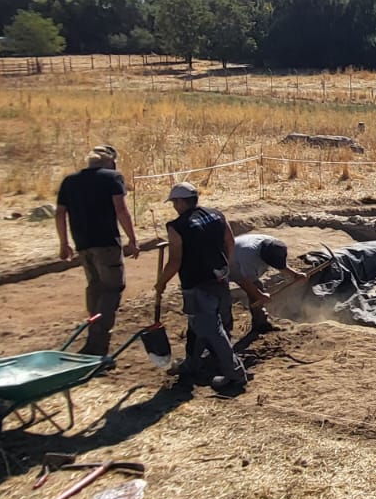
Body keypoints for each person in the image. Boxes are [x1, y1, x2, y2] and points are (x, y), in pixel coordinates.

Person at [155, 182, 247, 391]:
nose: (174, 207)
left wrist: (160, 283)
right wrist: (222, 266)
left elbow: (175, 261)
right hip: (219, 279)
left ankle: (235, 374)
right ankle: (192, 363)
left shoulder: (177, 226)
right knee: (205, 325)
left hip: (196, 282)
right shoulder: (217, 215)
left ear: (180, 201)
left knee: (212, 330)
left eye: (174, 203)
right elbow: (230, 242)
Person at [54, 144, 140, 356]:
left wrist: (64, 243)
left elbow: (59, 213)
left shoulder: (70, 181)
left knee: (95, 288)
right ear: (111, 161)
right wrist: (132, 238)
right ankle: (98, 345)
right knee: (112, 288)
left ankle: (93, 333)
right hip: (107, 243)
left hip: (83, 244)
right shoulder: (112, 178)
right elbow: (121, 209)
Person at [230, 233, 310, 335]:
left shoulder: (274, 245)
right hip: (220, 270)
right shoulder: (248, 256)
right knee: (222, 302)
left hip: (240, 264)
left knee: (257, 290)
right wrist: (260, 296)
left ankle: (260, 325)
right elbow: (243, 281)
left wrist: (295, 275)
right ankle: (223, 337)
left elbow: (279, 263)